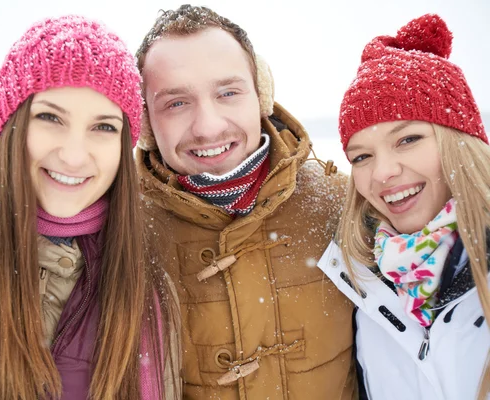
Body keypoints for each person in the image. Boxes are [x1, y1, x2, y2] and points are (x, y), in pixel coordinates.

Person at [0, 15, 180, 399]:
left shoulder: (149, 291)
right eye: (50, 117)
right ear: (10, 124)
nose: (74, 156)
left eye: (104, 127)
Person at [134, 4, 355, 399]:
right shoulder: (120, 231)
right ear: (147, 122)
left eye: (228, 93)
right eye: (176, 103)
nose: (208, 126)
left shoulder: (343, 204)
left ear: (261, 95)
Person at [317, 13, 490, 400]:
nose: (382, 173)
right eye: (361, 157)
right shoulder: (364, 286)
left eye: (408, 139)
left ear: (460, 140)